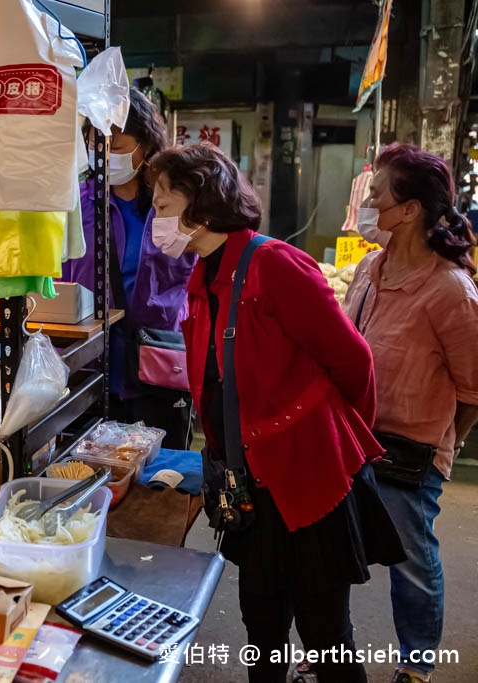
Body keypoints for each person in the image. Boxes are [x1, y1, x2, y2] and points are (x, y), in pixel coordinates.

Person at [151, 144, 403, 683]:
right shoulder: (201, 276)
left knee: (325, 632)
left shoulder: (272, 264)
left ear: (199, 206)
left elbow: (353, 360)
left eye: (163, 202)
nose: (157, 217)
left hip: (308, 479)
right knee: (261, 623)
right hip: (249, 480)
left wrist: (335, 441)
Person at [343, 144, 478, 683]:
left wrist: (447, 445)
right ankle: (331, 652)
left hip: (408, 452)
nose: (368, 203)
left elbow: (473, 388)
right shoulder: (368, 270)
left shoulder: (451, 291)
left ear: (409, 210)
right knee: (335, 556)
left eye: (377, 195)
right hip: (350, 440)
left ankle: (417, 664)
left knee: (411, 564)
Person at [61, 88, 195, 448]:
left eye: (117, 147)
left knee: (157, 476)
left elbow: (189, 284)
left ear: (146, 147)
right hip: (88, 371)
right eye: (95, 143)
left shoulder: (169, 208)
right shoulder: (77, 203)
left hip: (156, 366)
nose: (104, 155)